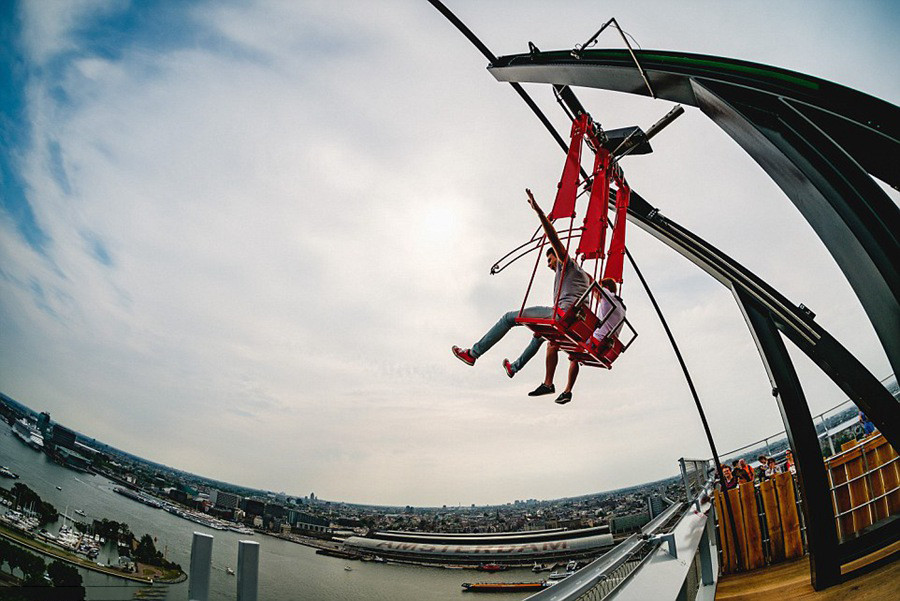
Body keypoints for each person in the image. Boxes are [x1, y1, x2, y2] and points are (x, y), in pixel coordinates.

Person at [452, 189, 592, 405]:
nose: (548, 264)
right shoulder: (584, 276)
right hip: (573, 322)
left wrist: (539, 212)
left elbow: (553, 237)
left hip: (562, 315)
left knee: (509, 317)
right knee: (539, 335)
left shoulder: (568, 264)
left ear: (557, 256)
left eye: (550, 260)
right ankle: (516, 367)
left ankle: (473, 353)